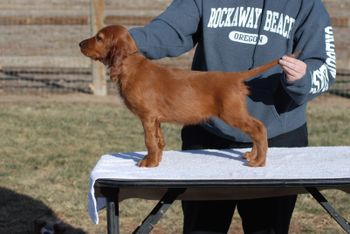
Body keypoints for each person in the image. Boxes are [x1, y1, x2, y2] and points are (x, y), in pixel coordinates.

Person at [129, 0, 336, 233]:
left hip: (280, 138)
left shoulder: (305, 4)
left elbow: (325, 68)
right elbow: (168, 31)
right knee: (203, 228)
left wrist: (302, 79)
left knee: (267, 228)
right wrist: (122, 41)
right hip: (207, 134)